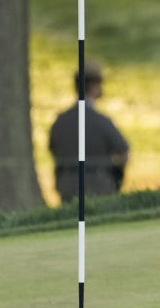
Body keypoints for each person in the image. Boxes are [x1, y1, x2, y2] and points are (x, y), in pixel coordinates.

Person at [49, 60, 130, 202]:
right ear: (93, 87)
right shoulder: (101, 121)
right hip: (99, 185)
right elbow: (123, 151)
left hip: (67, 186)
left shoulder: (60, 121)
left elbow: (52, 148)